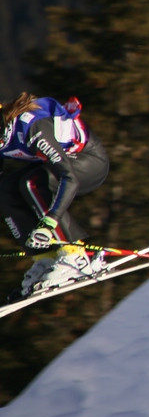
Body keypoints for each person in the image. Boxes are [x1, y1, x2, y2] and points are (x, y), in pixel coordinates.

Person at [0, 92, 110, 297]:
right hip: (63, 167)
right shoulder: (3, 136)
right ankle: (45, 258)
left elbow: (69, 177)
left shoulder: (32, 128)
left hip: (90, 162)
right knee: (5, 189)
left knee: (32, 183)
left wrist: (51, 221)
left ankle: (75, 256)